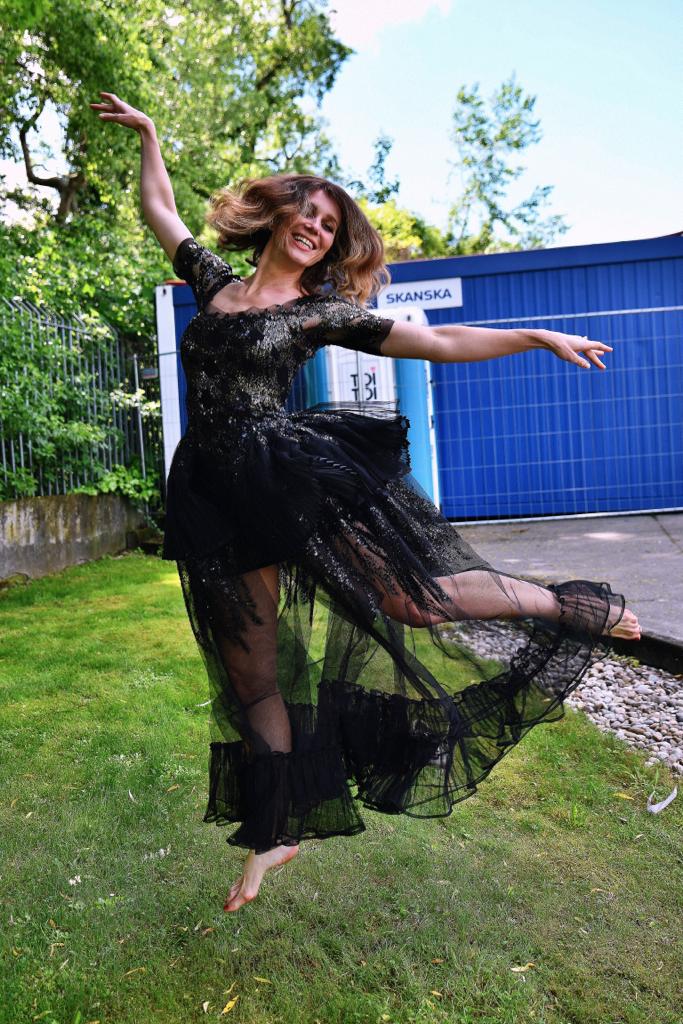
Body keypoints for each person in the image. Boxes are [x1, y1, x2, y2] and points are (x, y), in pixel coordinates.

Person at [91, 92, 641, 913]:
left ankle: (567, 606)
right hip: (210, 495)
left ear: (330, 245)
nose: (314, 229)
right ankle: (277, 829)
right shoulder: (213, 285)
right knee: (251, 675)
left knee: (407, 599)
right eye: (306, 215)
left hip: (281, 477)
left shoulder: (321, 313)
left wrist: (534, 335)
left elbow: (440, 341)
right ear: (278, 217)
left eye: (328, 226)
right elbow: (160, 210)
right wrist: (149, 135)